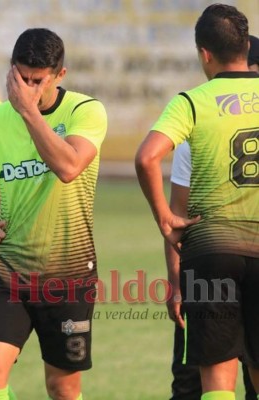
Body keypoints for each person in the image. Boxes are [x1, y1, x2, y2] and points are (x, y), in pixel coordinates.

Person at [0, 28, 107, 400]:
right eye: (21, 78)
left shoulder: (86, 111)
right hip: (6, 272)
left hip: (68, 273)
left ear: (60, 75)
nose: (27, 88)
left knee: (62, 388)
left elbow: (68, 167)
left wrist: (29, 113)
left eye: (37, 81)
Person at [136, 4, 259, 399]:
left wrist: (165, 218)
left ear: (204, 52)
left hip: (210, 252)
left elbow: (146, 157)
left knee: (217, 381)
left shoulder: (191, 102)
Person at [167, 35, 259, 400]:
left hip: (211, 258)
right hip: (224, 258)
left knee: (209, 383)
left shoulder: (195, 112)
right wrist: (175, 281)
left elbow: (176, 212)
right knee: (192, 382)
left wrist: (176, 278)